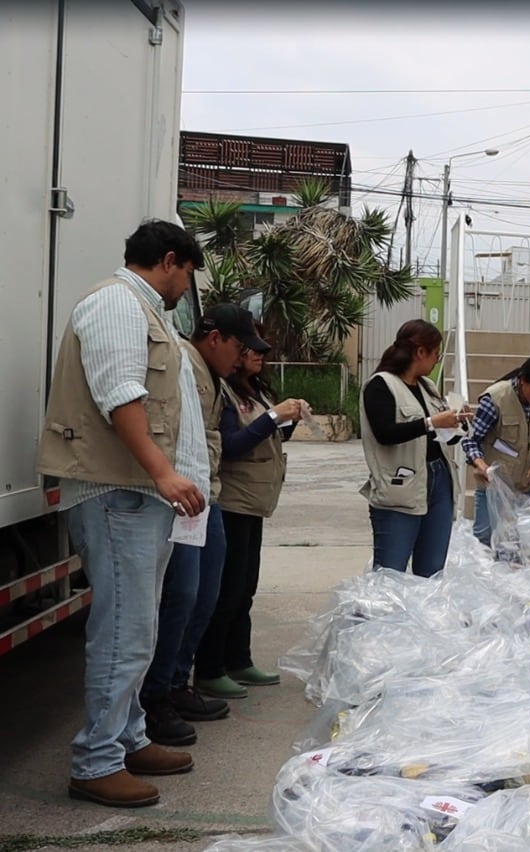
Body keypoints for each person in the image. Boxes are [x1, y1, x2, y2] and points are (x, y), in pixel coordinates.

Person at [37, 219, 208, 807]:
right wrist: (162, 471)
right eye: (187, 274)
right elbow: (119, 394)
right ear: (169, 261)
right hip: (118, 492)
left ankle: (129, 739)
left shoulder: (144, 311)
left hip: (138, 495)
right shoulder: (115, 305)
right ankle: (96, 761)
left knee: (140, 627)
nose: (187, 288)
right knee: (122, 633)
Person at [141, 305, 269, 743]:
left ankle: (177, 682)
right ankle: (157, 695)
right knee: (182, 596)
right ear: (215, 339)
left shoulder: (210, 373)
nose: (243, 359)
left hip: (205, 495)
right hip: (186, 496)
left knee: (204, 596)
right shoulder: (182, 364)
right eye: (240, 348)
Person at [195, 335, 308, 702]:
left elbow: (266, 436)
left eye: (263, 350)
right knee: (226, 589)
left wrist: (285, 420)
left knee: (245, 587)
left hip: (254, 502)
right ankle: (210, 668)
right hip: (232, 502)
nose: (261, 356)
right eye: (253, 350)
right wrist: (275, 415)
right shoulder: (224, 394)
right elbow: (231, 445)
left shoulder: (254, 391)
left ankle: (238, 658)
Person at [360, 319, 468, 577]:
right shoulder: (381, 385)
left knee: (432, 571)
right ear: (421, 352)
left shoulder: (427, 387)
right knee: (390, 573)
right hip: (400, 487)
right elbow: (385, 434)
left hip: (438, 479)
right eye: (435, 354)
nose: (436, 361)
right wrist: (431, 423)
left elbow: (444, 436)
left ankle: (424, 617)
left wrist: (456, 425)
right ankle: (386, 617)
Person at [463, 354, 530, 549]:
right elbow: (471, 441)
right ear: (523, 380)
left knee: (524, 542)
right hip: (494, 485)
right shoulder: (496, 399)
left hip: (528, 485)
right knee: (485, 540)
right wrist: (481, 465)